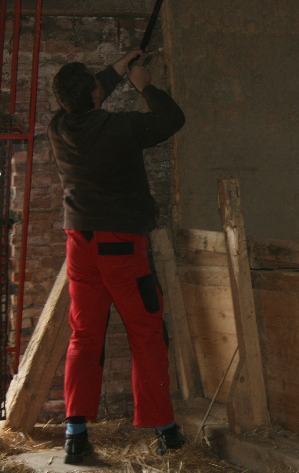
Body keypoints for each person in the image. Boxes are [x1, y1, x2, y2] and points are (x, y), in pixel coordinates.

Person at [48, 50, 186, 464]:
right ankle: (165, 430)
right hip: (121, 246)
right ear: (95, 95)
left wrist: (120, 66)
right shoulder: (120, 127)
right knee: (146, 331)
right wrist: (144, 85)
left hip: (80, 244)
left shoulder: (59, 126)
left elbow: (87, 97)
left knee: (84, 336)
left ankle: (75, 435)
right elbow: (172, 119)